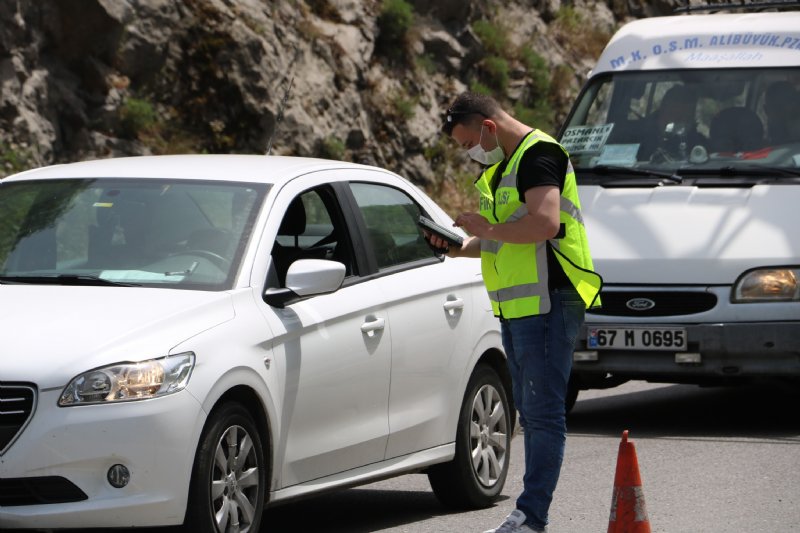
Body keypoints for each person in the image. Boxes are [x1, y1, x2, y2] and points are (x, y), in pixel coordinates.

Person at [431, 92, 602, 533]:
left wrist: (486, 228)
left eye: (468, 141)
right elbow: (507, 238)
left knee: (543, 414)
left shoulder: (539, 155)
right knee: (532, 411)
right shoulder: (502, 164)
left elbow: (544, 224)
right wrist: (459, 247)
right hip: (520, 308)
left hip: (547, 303)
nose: (468, 152)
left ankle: (532, 516)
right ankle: (531, 515)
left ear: (488, 126)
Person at [637, 84, 706, 162]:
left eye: (687, 116)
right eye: (676, 114)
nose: (682, 120)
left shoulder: (698, 143)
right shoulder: (638, 136)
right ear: (663, 110)